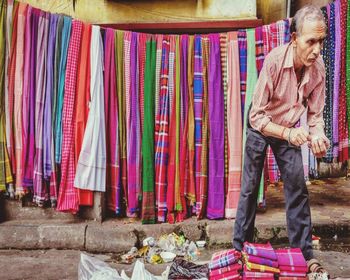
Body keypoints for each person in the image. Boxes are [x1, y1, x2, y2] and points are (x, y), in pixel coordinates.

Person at [233, 5, 330, 275]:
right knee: (250, 189)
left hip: (288, 128)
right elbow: (256, 116)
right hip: (261, 126)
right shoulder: (275, 61)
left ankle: (304, 254)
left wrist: (318, 134)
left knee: (298, 188)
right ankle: (240, 250)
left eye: (321, 41)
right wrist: (288, 133)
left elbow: (316, 115)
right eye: (311, 41)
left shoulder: (318, 68)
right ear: (295, 38)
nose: (317, 49)